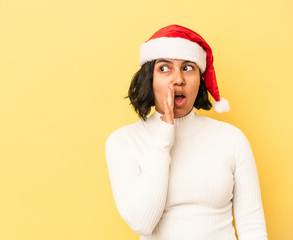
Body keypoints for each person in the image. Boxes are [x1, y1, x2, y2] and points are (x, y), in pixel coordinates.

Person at [105, 25, 268, 240]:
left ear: (200, 79)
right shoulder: (124, 142)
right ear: (149, 79)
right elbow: (143, 223)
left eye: (188, 67)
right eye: (164, 68)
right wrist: (164, 135)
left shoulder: (231, 139)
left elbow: (252, 226)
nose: (178, 79)